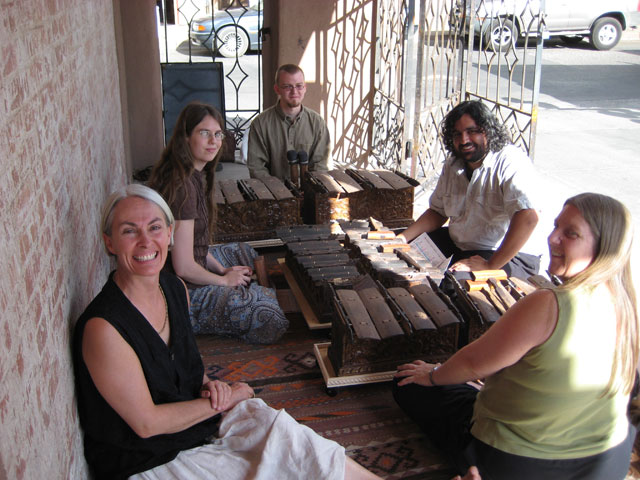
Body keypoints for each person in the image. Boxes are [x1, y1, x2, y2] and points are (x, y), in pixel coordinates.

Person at [73, 185, 382, 480]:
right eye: (129, 231)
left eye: (154, 228)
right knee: (267, 461)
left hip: (194, 422)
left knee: (284, 433)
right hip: (146, 458)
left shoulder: (173, 288)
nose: (145, 241)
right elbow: (146, 423)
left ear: (169, 234)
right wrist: (227, 398)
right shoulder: (104, 328)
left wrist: (211, 386)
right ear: (110, 242)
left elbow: (183, 364)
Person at [393, 192, 638, 480]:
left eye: (570, 234)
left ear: (604, 249)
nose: (553, 238)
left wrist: (432, 374)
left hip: (520, 464)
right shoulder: (627, 304)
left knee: (406, 383)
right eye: (556, 226)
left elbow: (473, 364)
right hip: (607, 464)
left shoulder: (549, 304)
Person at [148, 102, 288, 344]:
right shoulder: (182, 187)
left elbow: (195, 246)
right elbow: (182, 266)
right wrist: (224, 281)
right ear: (185, 137)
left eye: (218, 134)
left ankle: (250, 289)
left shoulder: (194, 174)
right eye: (204, 133)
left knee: (245, 252)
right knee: (270, 317)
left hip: (188, 272)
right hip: (179, 295)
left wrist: (222, 269)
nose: (213, 141)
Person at [398, 100, 541, 282]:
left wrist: (490, 266)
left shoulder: (510, 161)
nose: (464, 140)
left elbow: (528, 217)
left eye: (472, 132)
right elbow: (437, 212)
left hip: (505, 254)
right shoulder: (453, 164)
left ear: (488, 131)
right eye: (457, 134)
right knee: (402, 253)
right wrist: (402, 238)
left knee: (451, 284)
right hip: (461, 244)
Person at [247, 64, 331, 180]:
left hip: (309, 191)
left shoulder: (317, 123)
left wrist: (310, 190)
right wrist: (279, 192)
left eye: (299, 86)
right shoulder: (260, 124)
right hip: (273, 193)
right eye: (287, 87)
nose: (294, 92)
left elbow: (321, 166)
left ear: (305, 88)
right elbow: (257, 168)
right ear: (277, 89)